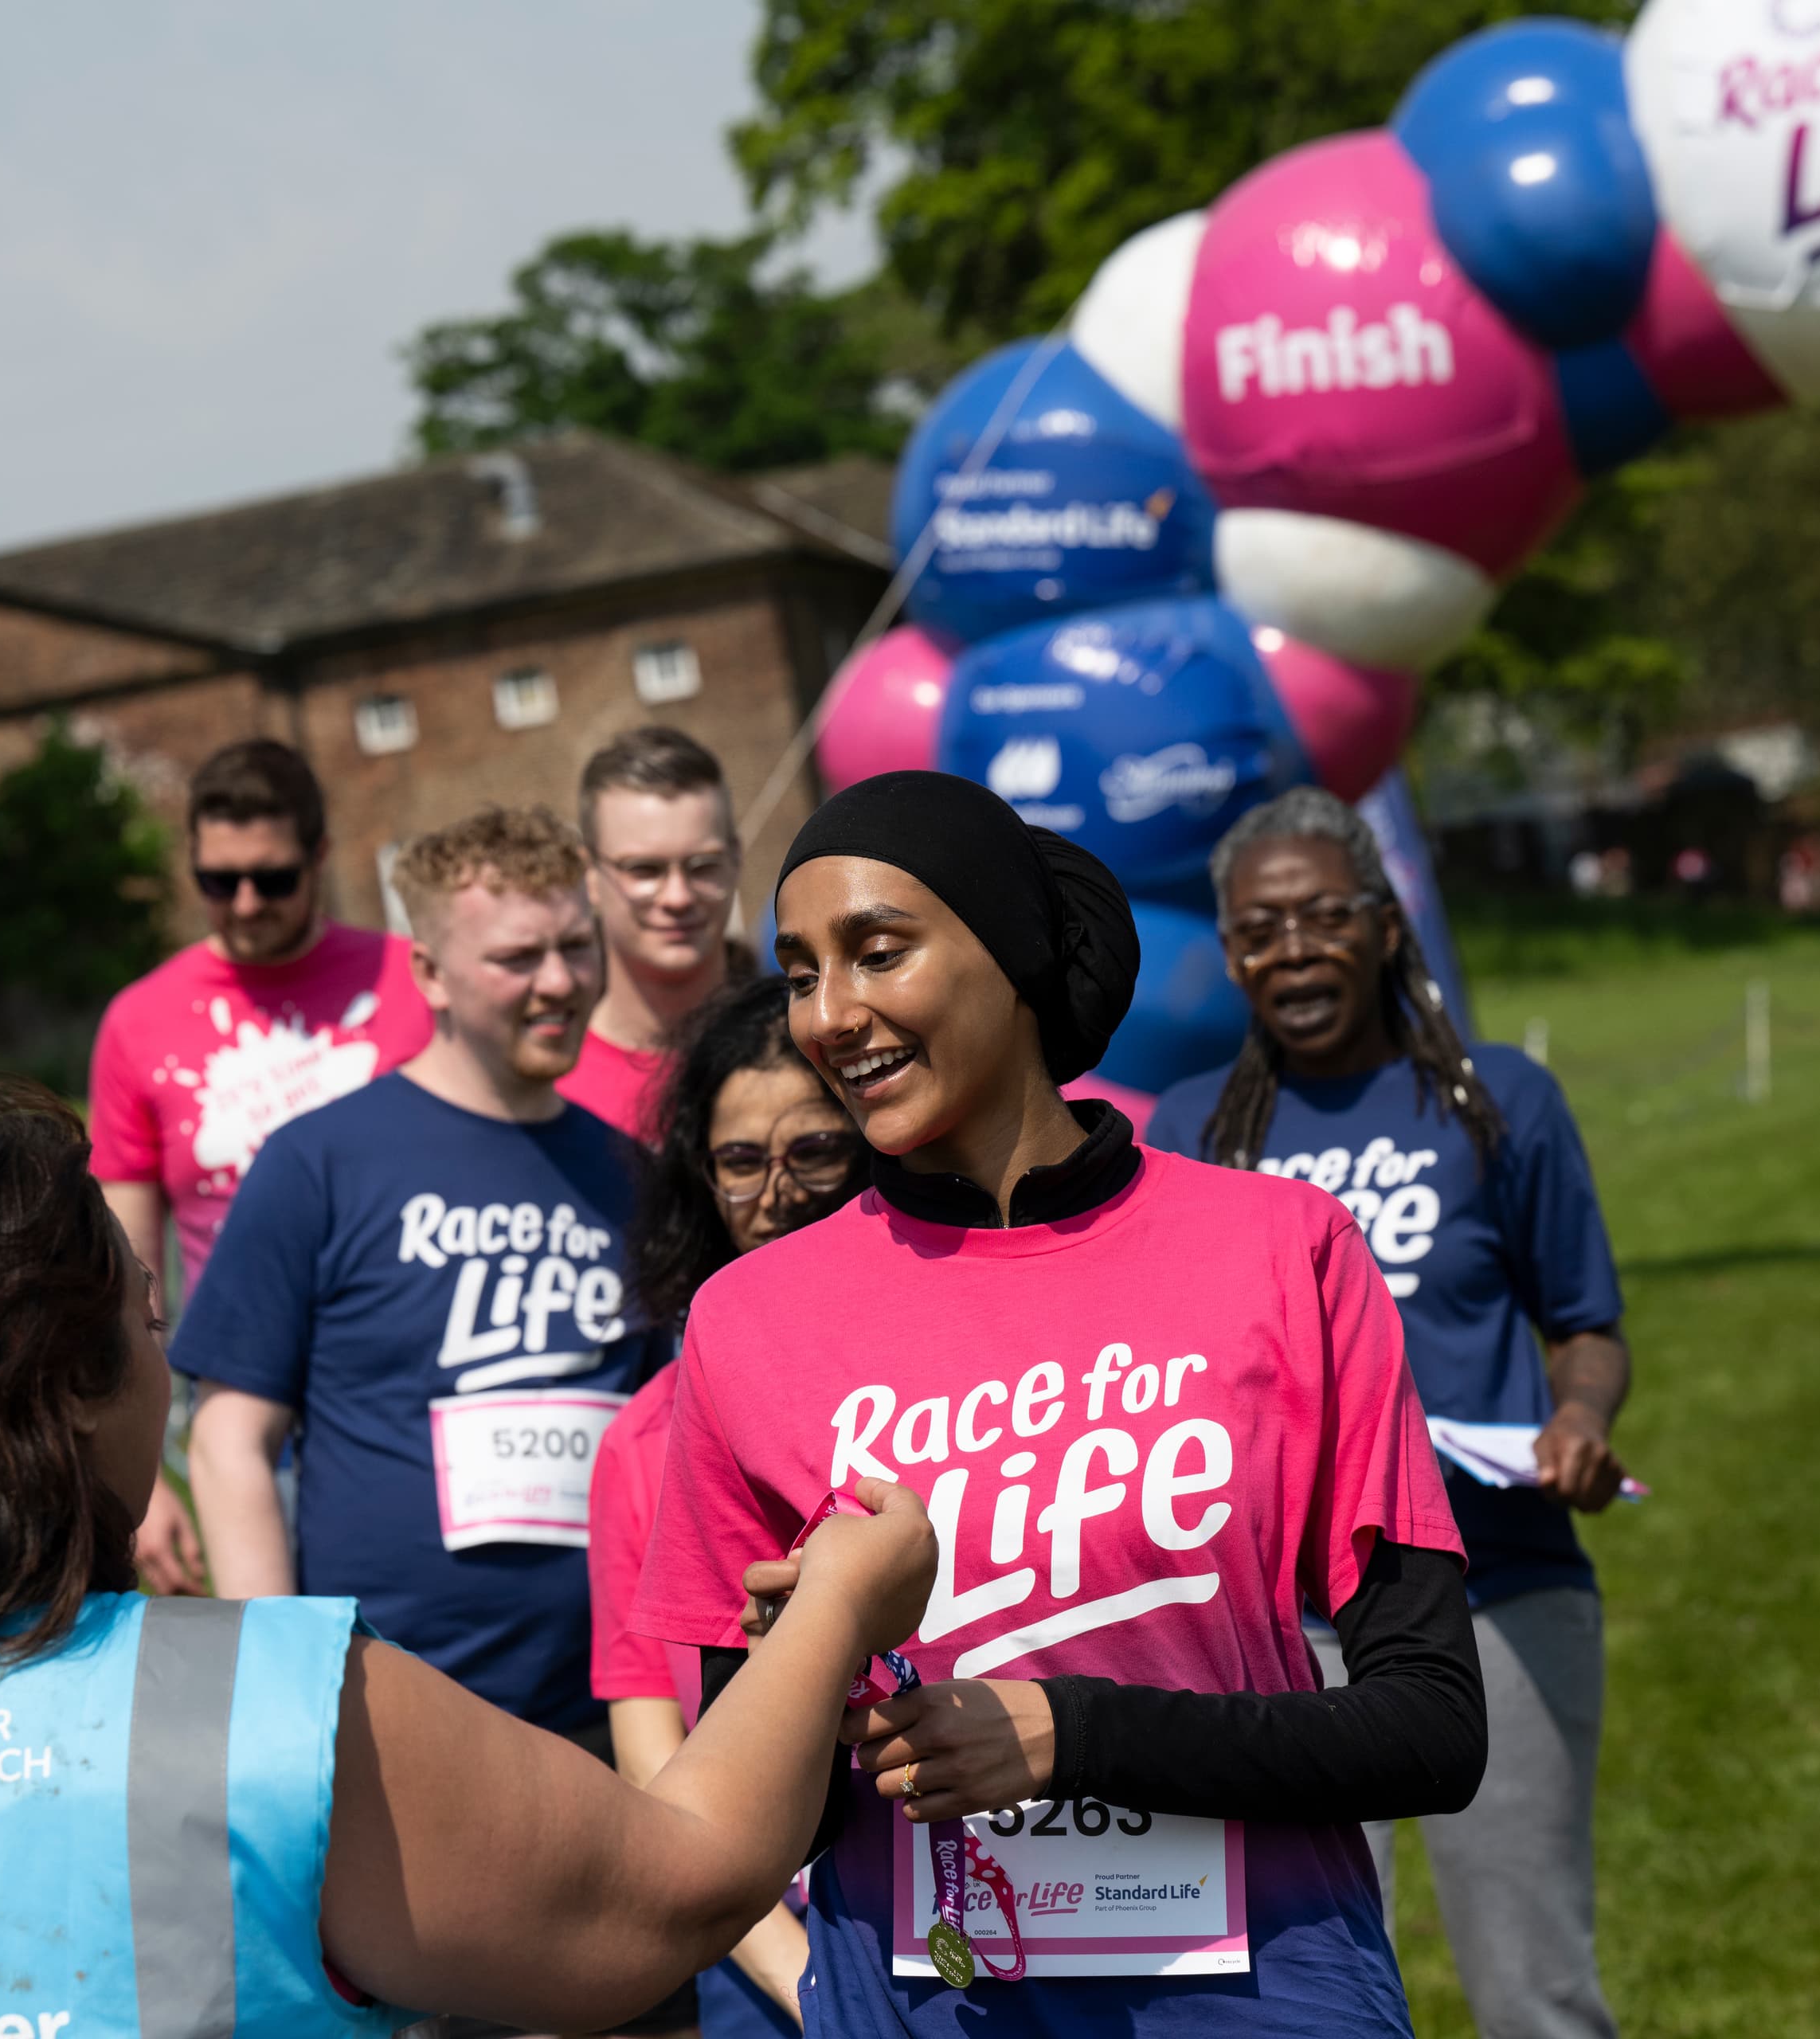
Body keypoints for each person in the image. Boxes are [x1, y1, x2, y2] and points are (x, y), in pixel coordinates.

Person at [0, 1081, 941, 2039]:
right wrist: (836, 1608)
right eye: (148, 1317)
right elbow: (670, 1895)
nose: (171, 1363)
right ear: (72, 1384)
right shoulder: (261, 1708)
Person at [633, 771, 1485, 2039]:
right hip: (924, 2009)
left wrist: (1073, 1734)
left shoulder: (1281, 1249)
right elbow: (746, 1834)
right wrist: (795, 1662)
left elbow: (1430, 1730)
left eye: (878, 953)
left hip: (1267, 2002)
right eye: (804, 972)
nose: (832, 1015)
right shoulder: (748, 1325)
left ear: (1015, 955)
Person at [1149, 787, 1632, 2039]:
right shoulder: (1195, 1132)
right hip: (1280, 1628)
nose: (1293, 950)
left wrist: (1577, 1420)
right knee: (1294, 1992)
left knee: (1531, 1988)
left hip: (1499, 1593)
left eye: (1322, 917)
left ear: (1384, 924)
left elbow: (1585, 1323)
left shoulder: (1498, 1101)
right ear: (1230, 948)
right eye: (1261, 930)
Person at [177, 804, 658, 1741]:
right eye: (518, 958)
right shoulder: (321, 1160)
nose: (558, 982)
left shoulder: (634, 1175)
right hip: (384, 1713)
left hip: (611, 1714)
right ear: (429, 972)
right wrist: (280, 1687)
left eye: (576, 945)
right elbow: (229, 1440)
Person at [594, 974, 873, 2036]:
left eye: (815, 1152)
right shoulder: (642, 1441)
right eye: (741, 1163)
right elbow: (652, 1745)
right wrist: (802, 1978)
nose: (778, 1193)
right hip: (764, 1962)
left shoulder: (968, 1394)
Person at [88, 738, 432, 1591]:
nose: (245, 902)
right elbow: (122, 1271)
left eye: (273, 878)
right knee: (279, 1667)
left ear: (319, 857)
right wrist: (139, 1476)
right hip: (242, 1395)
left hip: (416, 1369)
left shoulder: (416, 980)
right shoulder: (140, 1021)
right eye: (218, 880)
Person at [564, 726, 747, 1141]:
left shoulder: (807, 1048)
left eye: (703, 866)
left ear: (736, 859)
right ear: (589, 874)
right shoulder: (547, 1087)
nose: (678, 897)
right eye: (644, 870)